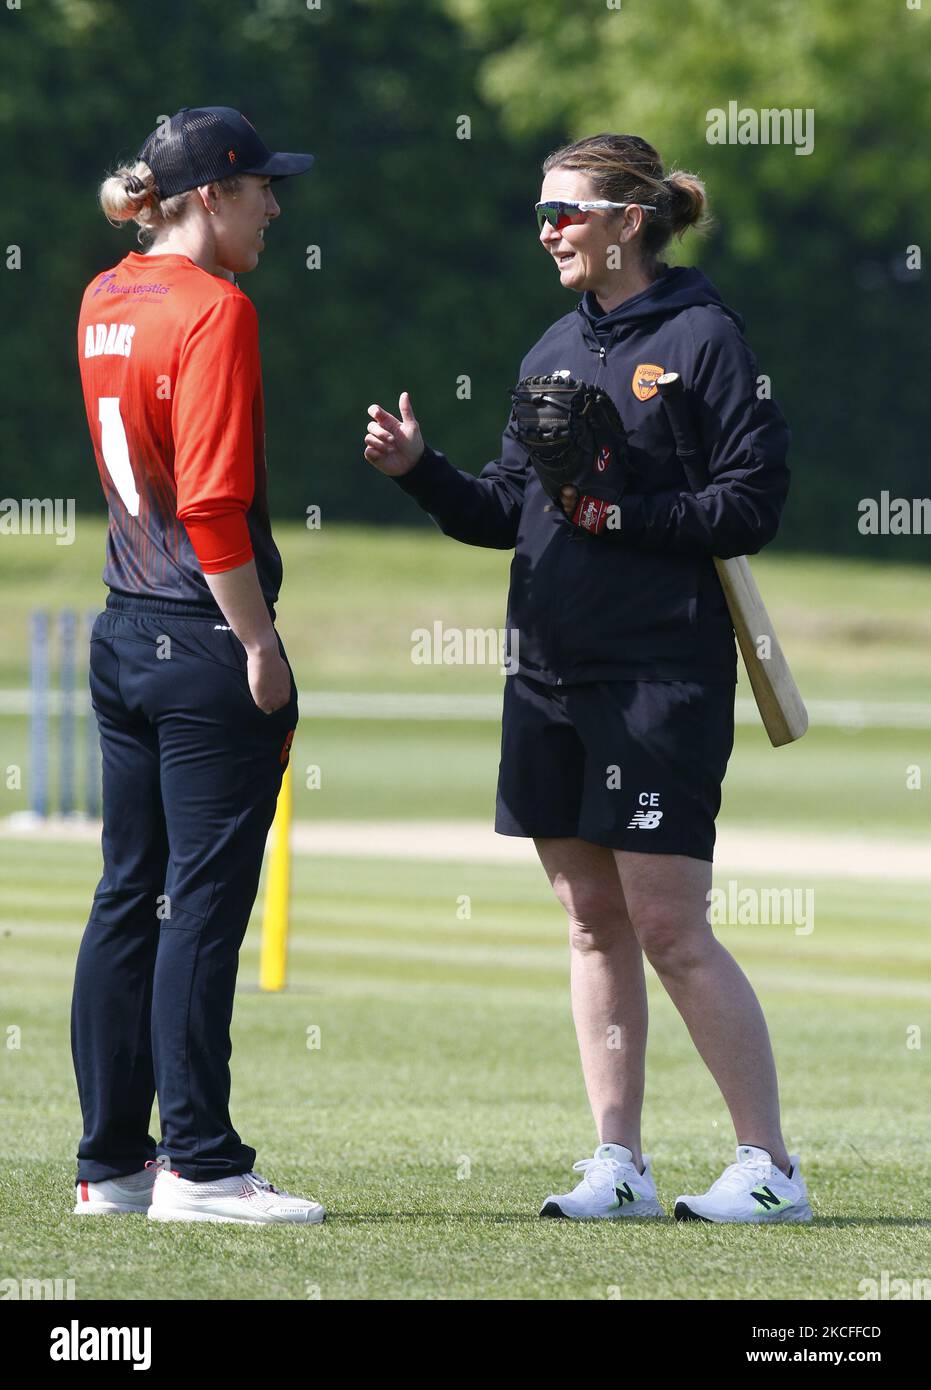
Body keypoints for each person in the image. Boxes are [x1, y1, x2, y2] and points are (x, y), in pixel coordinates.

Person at [364, 133, 812, 1224]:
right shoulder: (551, 348)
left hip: (658, 670)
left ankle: (770, 1166)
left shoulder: (705, 337)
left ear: (627, 219)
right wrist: (423, 473)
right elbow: (507, 514)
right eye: (540, 214)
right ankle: (618, 1158)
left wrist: (623, 512)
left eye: (566, 211)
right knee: (588, 921)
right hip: (549, 669)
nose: (549, 230)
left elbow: (750, 505)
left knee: (669, 924)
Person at [72, 106, 323, 1224]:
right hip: (202, 632)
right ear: (211, 197)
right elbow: (214, 506)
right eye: (262, 186)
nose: (275, 205)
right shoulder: (218, 308)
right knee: (201, 906)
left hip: (122, 628)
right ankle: (204, 1166)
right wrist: (260, 643)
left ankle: (113, 1164)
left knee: (128, 894)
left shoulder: (102, 294)